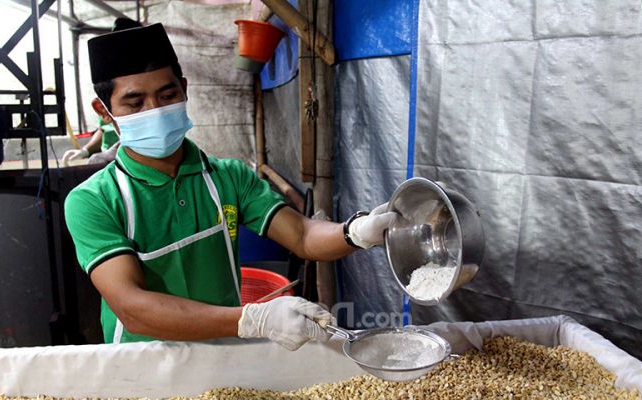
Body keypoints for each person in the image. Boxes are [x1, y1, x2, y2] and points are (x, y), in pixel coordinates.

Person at [64, 23, 397, 350]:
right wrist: (253, 320)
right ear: (104, 111)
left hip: (222, 351)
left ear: (183, 89)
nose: (156, 111)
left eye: (167, 95)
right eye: (135, 104)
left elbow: (303, 235)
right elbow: (133, 308)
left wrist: (357, 232)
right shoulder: (93, 201)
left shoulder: (229, 177)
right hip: (143, 362)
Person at [62, 18, 142, 166]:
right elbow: (105, 128)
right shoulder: (108, 83)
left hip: (133, 160)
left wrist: (118, 153)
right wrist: (86, 150)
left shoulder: (147, 85)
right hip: (109, 160)